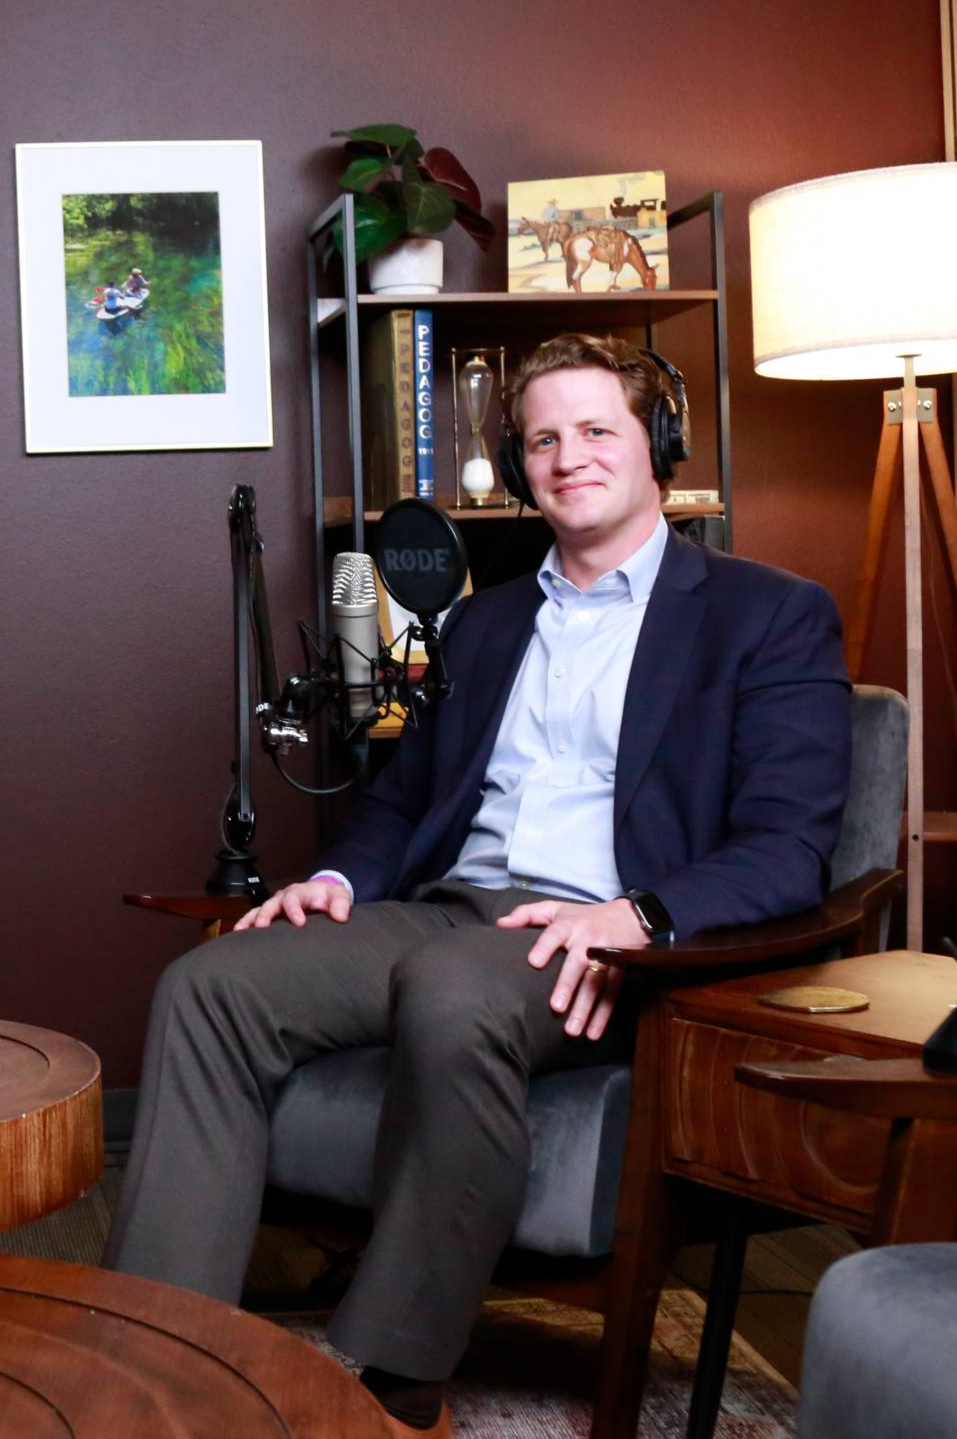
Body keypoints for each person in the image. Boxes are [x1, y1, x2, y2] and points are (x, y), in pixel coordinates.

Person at [103, 332, 850, 1438]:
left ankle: (391, 1380)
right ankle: (157, 1358)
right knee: (214, 985)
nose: (567, 457)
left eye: (595, 429)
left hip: (607, 939)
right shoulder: (484, 619)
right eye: (541, 439)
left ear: (658, 444)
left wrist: (636, 916)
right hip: (451, 910)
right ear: (516, 468)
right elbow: (405, 802)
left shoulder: (766, 612)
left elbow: (789, 847)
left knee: (453, 987)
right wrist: (337, 880)